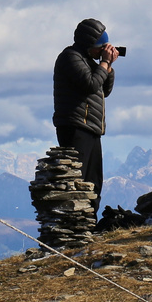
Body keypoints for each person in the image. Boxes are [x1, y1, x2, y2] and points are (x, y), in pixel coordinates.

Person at [52, 18, 116, 213]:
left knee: (93, 180)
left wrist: (108, 67)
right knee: (77, 179)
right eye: (99, 46)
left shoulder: (88, 61)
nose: (101, 50)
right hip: (76, 126)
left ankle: (88, 224)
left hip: (91, 127)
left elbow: (105, 90)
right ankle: (74, 223)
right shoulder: (70, 57)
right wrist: (104, 63)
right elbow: (89, 85)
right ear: (88, 43)